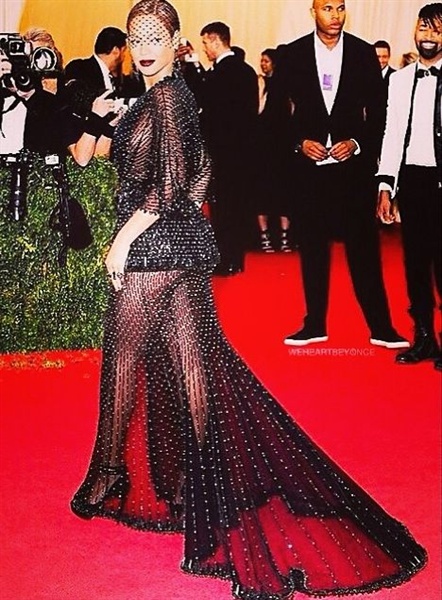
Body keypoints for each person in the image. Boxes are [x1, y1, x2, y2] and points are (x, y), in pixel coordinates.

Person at [70, 1, 427, 599]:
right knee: (195, 366)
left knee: (124, 359)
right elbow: (201, 172)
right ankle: (205, 486)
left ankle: (109, 474)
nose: (147, 47)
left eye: (157, 37)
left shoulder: (166, 98)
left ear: (176, 41)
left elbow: (168, 185)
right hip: (185, 247)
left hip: (154, 249)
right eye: (138, 37)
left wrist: (123, 240)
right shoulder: (168, 96)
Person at [273, 0, 409, 350]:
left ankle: (382, 327)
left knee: (365, 252)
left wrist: (357, 143)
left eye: (340, 8)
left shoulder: (364, 53)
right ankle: (314, 324)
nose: (335, 15)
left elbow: (380, 114)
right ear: (313, 12)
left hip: (353, 172)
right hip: (309, 172)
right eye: (327, 8)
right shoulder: (291, 55)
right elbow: (275, 115)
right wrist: (299, 143)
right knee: (312, 250)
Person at [376, 2, 442, 371]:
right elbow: (392, 134)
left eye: (437, 29)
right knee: (415, 264)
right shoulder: (399, 80)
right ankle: (424, 338)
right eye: (423, 28)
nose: (428, 36)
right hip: (413, 182)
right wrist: (386, 184)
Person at [199, 21, 259, 275]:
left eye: (205, 43)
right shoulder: (247, 71)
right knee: (238, 206)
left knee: (223, 208)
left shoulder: (219, 74)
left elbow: (208, 110)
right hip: (244, 152)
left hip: (222, 151)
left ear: (215, 40)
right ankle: (235, 258)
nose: (205, 48)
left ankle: (225, 260)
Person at [255, 48, 293, 253]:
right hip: (263, 147)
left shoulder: (286, 86)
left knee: (283, 192)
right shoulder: (260, 83)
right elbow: (257, 110)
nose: (263, 64)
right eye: (262, 60)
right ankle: (265, 235)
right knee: (262, 192)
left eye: (266, 61)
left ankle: (285, 235)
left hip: (283, 147)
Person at [65, 27, 144, 98]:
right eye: (124, 51)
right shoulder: (79, 68)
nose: (124, 56)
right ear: (116, 50)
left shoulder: (119, 80)